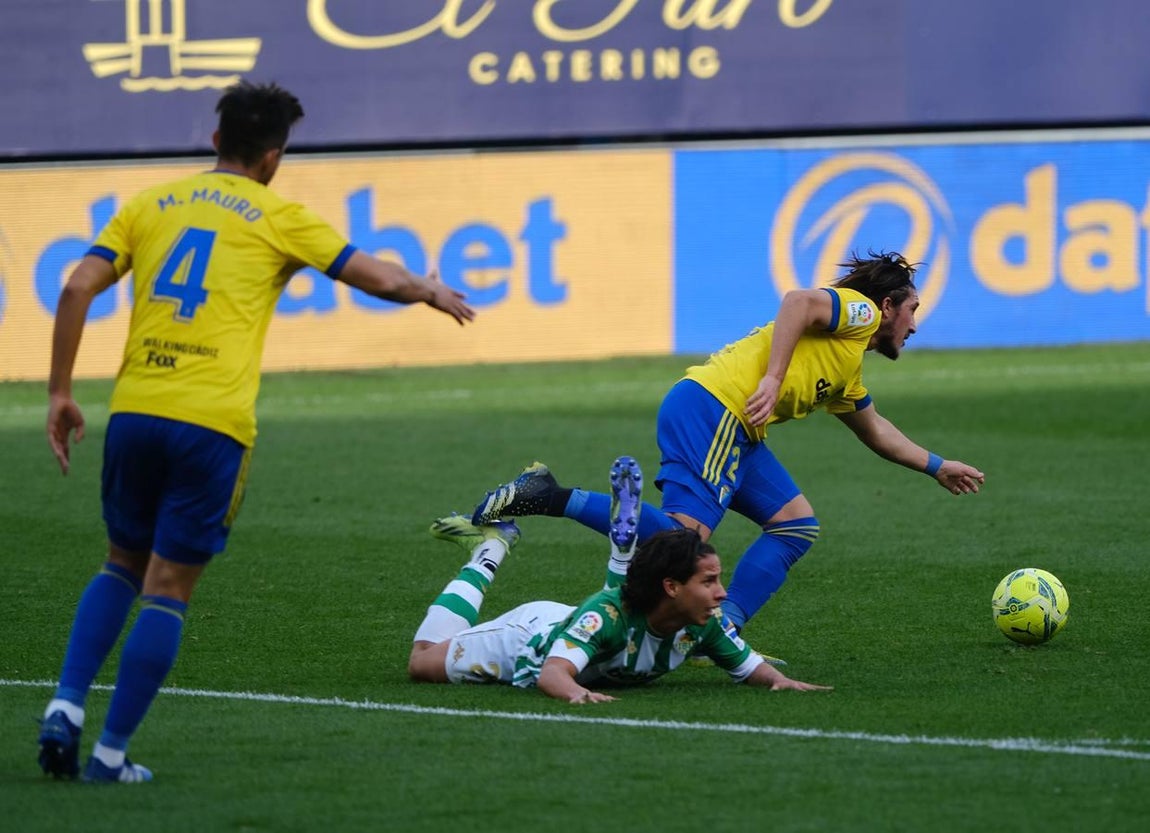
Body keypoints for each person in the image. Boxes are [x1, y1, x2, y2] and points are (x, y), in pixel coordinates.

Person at [38, 81, 476, 784]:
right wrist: (426, 288)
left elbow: (74, 288)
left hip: (135, 410)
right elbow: (375, 277)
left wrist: (60, 390)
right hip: (211, 423)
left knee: (120, 561)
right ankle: (111, 755)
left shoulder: (151, 204)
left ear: (215, 142)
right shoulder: (279, 214)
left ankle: (63, 705)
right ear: (273, 156)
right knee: (168, 587)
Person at [471, 251, 984, 641]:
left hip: (735, 426)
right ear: (889, 304)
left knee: (795, 525)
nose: (915, 323)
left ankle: (723, 629)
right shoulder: (861, 313)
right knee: (682, 543)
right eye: (912, 309)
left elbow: (876, 430)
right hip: (716, 409)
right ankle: (548, 495)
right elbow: (799, 302)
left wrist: (936, 466)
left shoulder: (848, 366)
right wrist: (772, 379)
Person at [409, 455, 831, 700]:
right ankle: (490, 549)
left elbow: (749, 666)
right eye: (708, 582)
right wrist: (577, 694)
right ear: (672, 587)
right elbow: (552, 674)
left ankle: (618, 555)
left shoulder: (703, 625)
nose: (721, 593)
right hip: (525, 641)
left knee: (614, 604)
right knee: (422, 661)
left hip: (587, 622)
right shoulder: (605, 617)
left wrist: (782, 682)